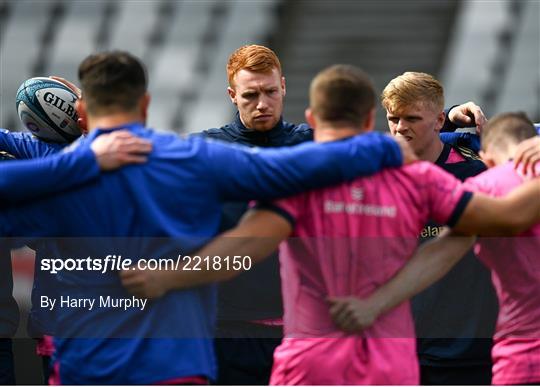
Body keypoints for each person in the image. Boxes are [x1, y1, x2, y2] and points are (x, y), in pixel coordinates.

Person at [0, 51, 416, 384]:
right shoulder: (192, 158)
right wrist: (381, 148)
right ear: (145, 104)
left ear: (84, 110)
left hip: (86, 366)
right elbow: (291, 169)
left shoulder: (55, 180)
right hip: (175, 364)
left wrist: (76, 167)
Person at [120, 64, 540, 385]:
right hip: (388, 366)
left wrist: (168, 277)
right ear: (369, 117)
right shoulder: (416, 178)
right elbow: (503, 218)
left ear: (312, 118)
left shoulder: (295, 179)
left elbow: (242, 250)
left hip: (312, 364)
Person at [198, 44, 491, 385]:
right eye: (251, 95)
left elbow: (400, 142)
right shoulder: (208, 151)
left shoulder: (316, 147)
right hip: (230, 329)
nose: (262, 103)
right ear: (232, 95)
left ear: (285, 89)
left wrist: (451, 121)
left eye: (270, 92)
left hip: (316, 335)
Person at [322, 112, 540, 385]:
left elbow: (441, 252)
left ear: (486, 157)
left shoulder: (486, 185)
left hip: (524, 362)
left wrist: (372, 305)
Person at [382, 71, 497, 385]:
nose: (400, 128)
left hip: (466, 354)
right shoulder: (379, 175)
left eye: (412, 118)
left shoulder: (476, 174)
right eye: (393, 118)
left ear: (438, 121)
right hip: (398, 353)